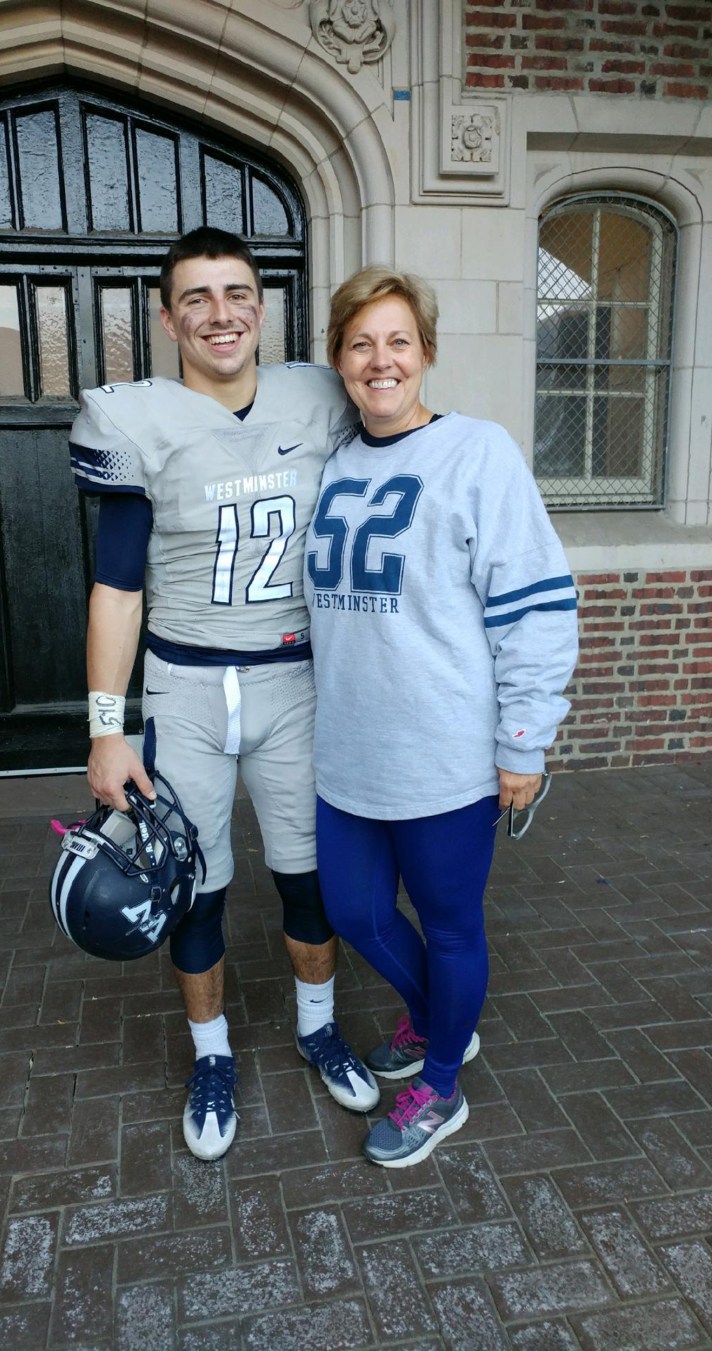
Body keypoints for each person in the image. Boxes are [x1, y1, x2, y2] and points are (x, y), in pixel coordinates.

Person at [68, 227, 379, 1162]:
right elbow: (118, 587)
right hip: (188, 685)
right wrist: (105, 728)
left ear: (261, 305)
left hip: (294, 678)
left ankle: (317, 1025)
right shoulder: (138, 419)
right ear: (167, 319)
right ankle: (212, 1052)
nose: (220, 313)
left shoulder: (318, 394)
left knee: (306, 878)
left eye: (236, 292)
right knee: (194, 888)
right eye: (196, 297)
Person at [304, 265, 578, 1168]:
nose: (380, 360)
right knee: (354, 909)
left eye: (398, 341)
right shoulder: (334, 461)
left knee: (452, 923)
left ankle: (443, 1088)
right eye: (360, 344)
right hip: (349, 752)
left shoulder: (478, 452)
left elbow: (533, 605)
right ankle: (438, 1022)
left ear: (425, 352)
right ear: (339, 359)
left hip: (448, 755)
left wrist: (524, 741)